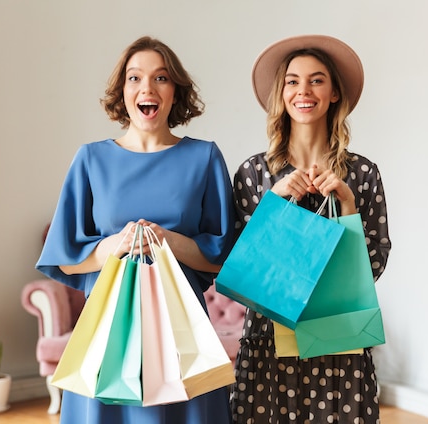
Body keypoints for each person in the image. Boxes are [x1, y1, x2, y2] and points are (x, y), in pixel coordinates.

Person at [36, 35, 235, 424]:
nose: (147, 88)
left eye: (161, 78)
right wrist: (112, 245)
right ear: (122, 91)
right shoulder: (90, 159)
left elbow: (221, 261)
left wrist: (170, 242)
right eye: (135, 78)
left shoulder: (204, 157)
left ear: (175, 92)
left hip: (184, 335)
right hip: (107, 333)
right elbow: (68, 261)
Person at [229, 35, 392, 423]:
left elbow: (372, 268)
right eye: (292, 81)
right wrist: (274, 201)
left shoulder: (362, 174)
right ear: (281, 93)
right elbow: (242, 269)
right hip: (268, 342)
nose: (304, 91)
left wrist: (348, 204)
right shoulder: (254, 174)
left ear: (334, 93)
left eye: (317, 80)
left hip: (340, 344)